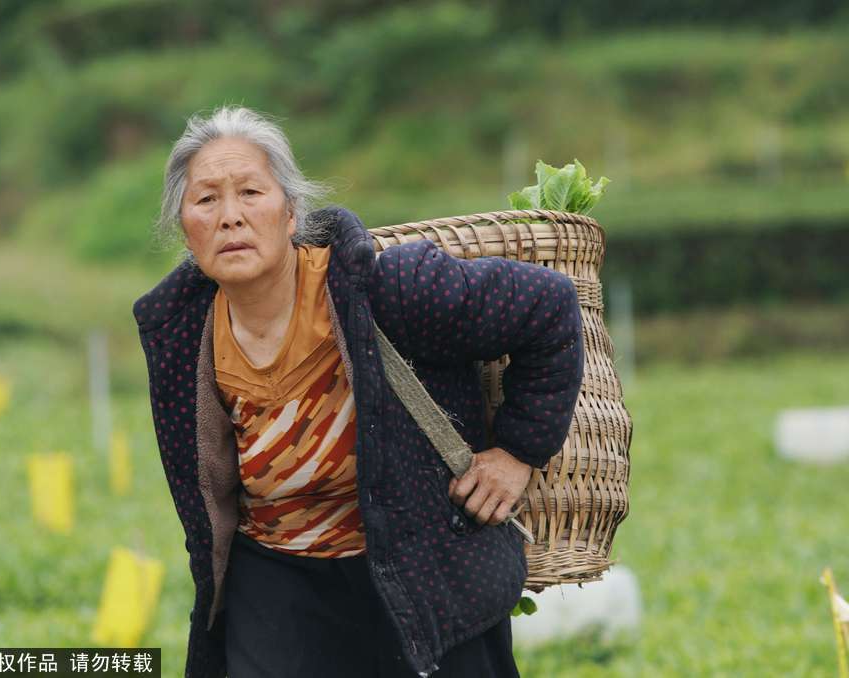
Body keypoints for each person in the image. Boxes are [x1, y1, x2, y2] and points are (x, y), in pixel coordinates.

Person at [132, 106, 584, 678]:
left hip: (417, 568)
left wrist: (518, 451)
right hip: (278, 580)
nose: (230, 217)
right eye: (206, 201)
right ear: (184, 227)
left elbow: (548, 306)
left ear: (292, 212)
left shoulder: (385, 289)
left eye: (250, 192)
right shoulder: (180, 335)